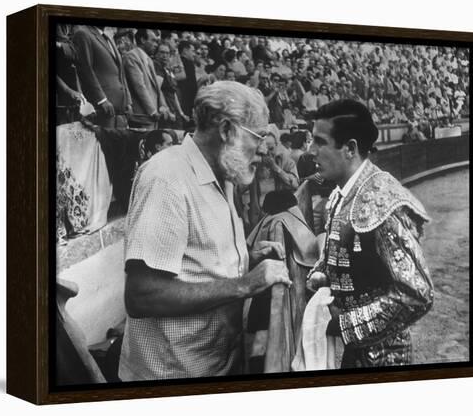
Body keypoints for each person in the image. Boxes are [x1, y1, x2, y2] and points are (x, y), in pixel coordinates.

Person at [118, 81, 292, 381]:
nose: (264, 149)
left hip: (216, 363)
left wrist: (246, 258)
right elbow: (141, 296)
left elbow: (196, 264)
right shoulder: (167, 178)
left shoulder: (223, 172)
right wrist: (245, 284)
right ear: (226, 130)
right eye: (258, 136)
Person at [307, 99, 434, 368]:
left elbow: (417, 293)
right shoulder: (342, 194)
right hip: (356, 351)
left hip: (385, 356)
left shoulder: (383, 201)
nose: (310, 151)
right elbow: (343, 252)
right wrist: (322, 273)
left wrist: (345, 324)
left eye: (320, 142)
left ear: (350, 148)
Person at [72, 26, 132, 128]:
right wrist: (102, 99)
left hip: (121, 111)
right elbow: (85, 69)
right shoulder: (83, 34)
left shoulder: (107, 38)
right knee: (103, 142)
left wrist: (128, 101)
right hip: (102, 108)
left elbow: (120, 74)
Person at [123, 29, 170, 130]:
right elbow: (139, 86)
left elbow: (157, 88)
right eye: (153, 41)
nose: (156, 44)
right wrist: (152, 111)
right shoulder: (131, 56)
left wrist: (163, 106)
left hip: (152, 117)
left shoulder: (149, 59)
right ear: (143, 40)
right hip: (141, 116)